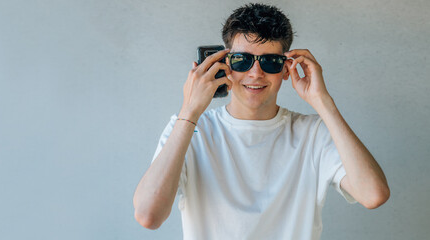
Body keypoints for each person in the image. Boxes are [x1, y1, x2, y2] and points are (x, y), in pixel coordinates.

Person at [133, 3, 390, 239]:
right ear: (225, 64)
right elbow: (148, 216)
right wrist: (189, 111)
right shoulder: (190, 130)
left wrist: (323, 102)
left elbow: (373, 195)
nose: (256, 73)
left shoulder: (314, 133)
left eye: (270, 62)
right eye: (242, 60)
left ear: (286, 68)